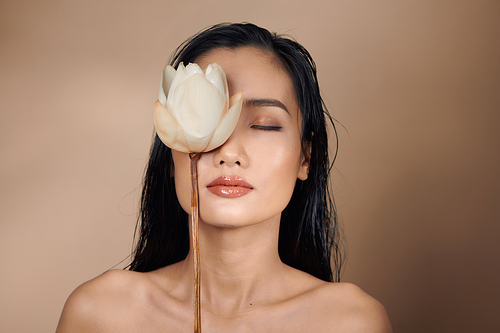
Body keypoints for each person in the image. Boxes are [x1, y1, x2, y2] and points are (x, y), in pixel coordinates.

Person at [56, 23, 392, 332]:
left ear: (305, 157)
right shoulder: (99, 315)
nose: (228, 153)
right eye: (207, 120)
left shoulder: (350, 322)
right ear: (171, 144)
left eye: (264, 124)